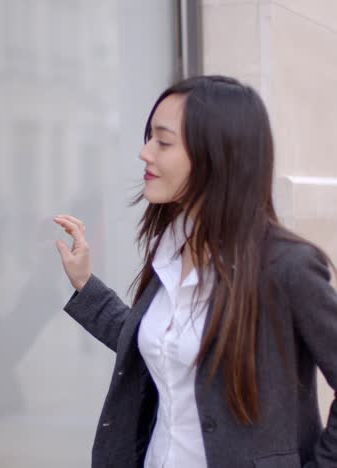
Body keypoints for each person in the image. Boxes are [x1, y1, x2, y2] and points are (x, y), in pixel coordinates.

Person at [53, 75, 337, 468]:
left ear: (215, 155)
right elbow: (160, 351)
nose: (145, 153)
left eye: (163, 141)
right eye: (148, 137)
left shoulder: (287, 267)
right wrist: (86, 285)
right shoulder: (170, 251)